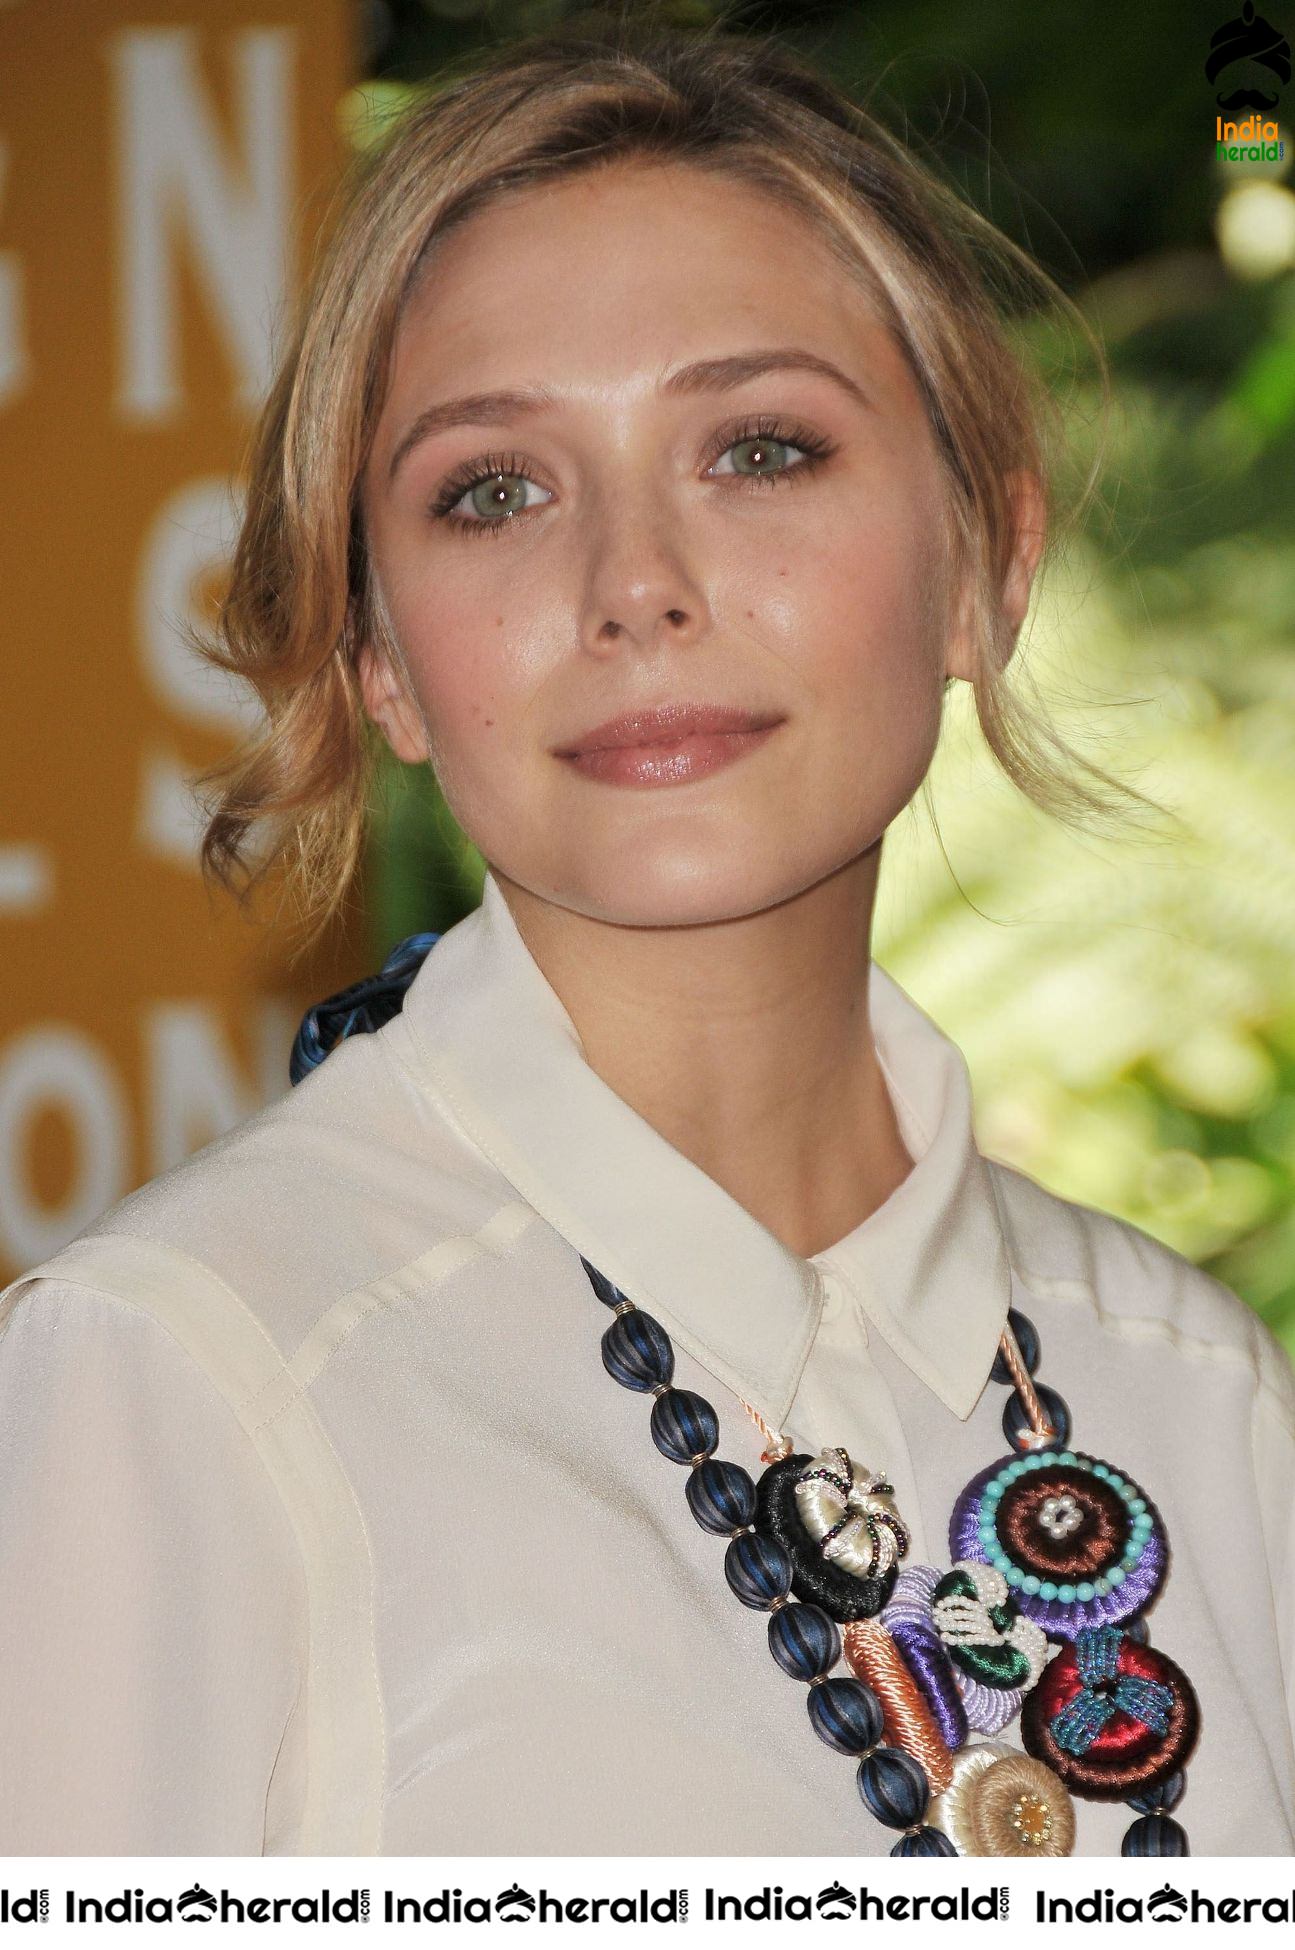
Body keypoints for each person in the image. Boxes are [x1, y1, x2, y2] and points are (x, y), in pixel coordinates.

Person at [1, 16, 1292, 1861]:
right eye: (495, 489)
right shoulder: (193, 1379)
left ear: (984, 558)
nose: (634, 586)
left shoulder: (1196, 1385)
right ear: (381, 663)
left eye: (760, 448)